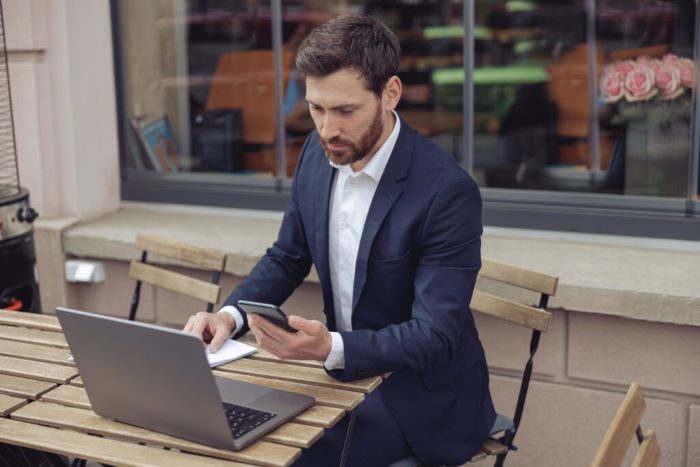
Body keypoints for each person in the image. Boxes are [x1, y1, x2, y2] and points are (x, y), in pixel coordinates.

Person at [185, 13, 496, 466]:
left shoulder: (446, 192)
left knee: (282, 453)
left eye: (346, 110)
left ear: (390, 93)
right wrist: (231, 317)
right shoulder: (319, 151)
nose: (327, 128)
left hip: (419, 399)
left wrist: (329, 347)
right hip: (340, 377)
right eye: (316, 108)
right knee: (210, 423)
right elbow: (288, 255)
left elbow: (436, 335)